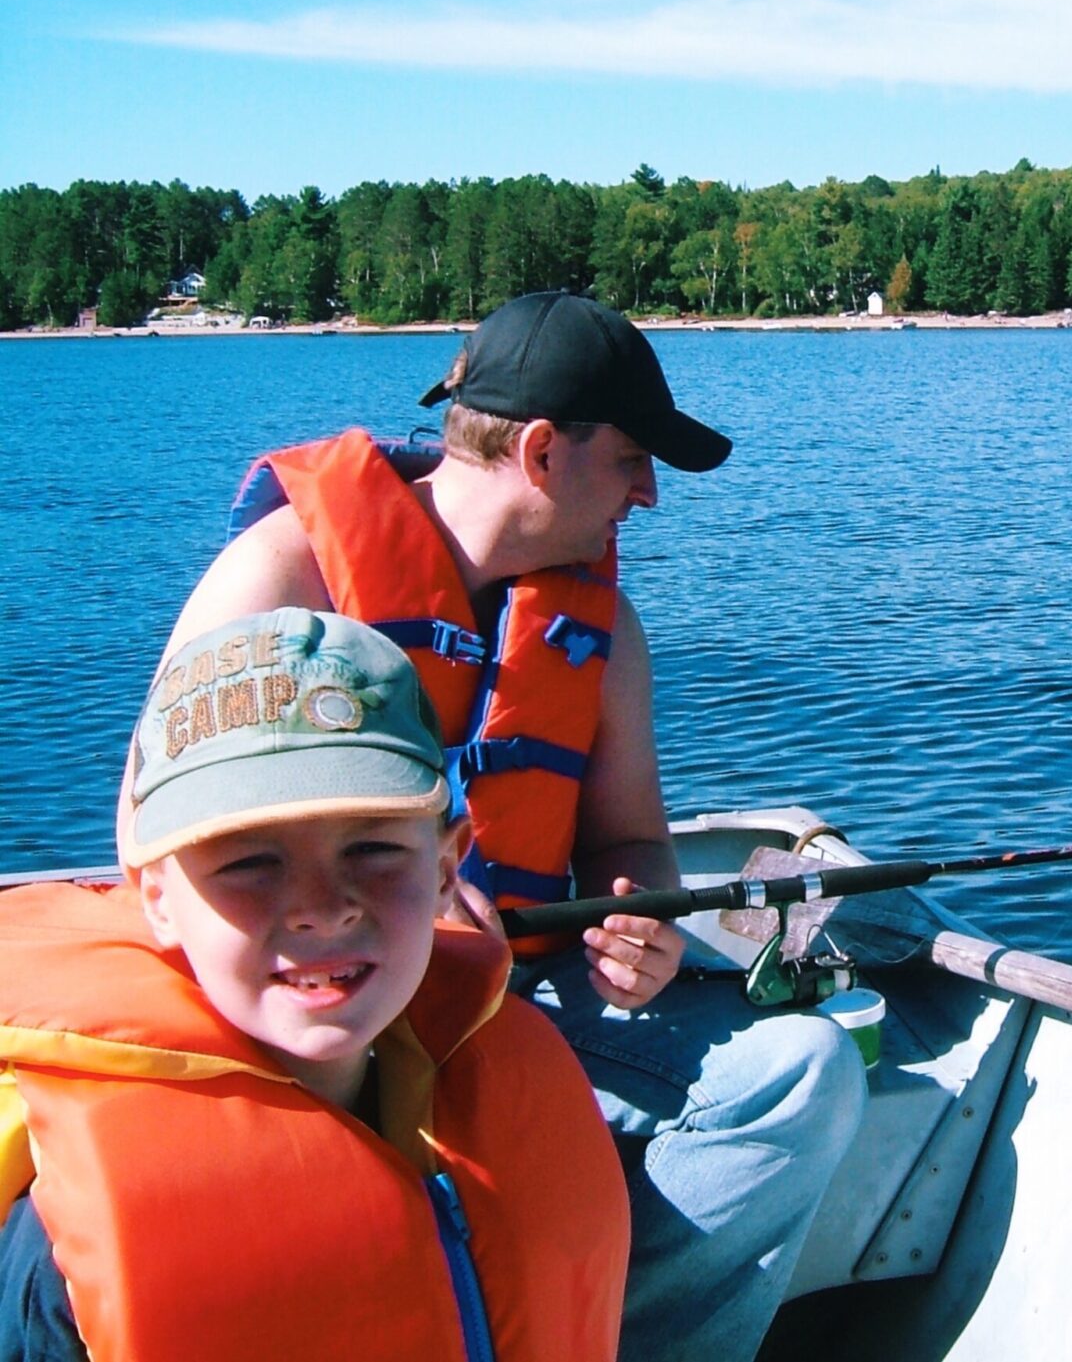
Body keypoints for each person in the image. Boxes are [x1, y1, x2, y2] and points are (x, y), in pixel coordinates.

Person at [140, 291, 866, 1362]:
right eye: (630, 458)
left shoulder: (602, 634)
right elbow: (153, 840)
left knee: (803, 1072)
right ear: (539, 450)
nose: (648, 493)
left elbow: (628, 840)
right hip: (310, 1006)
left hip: (515, 999)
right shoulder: (282, 577)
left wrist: (637, 919)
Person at [1, 609, 629, 1362]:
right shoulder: (57, 1251)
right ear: (158, 898)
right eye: (248, 863)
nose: (321, 907)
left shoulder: (511, 1088)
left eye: (371, 846)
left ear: (443, 868)